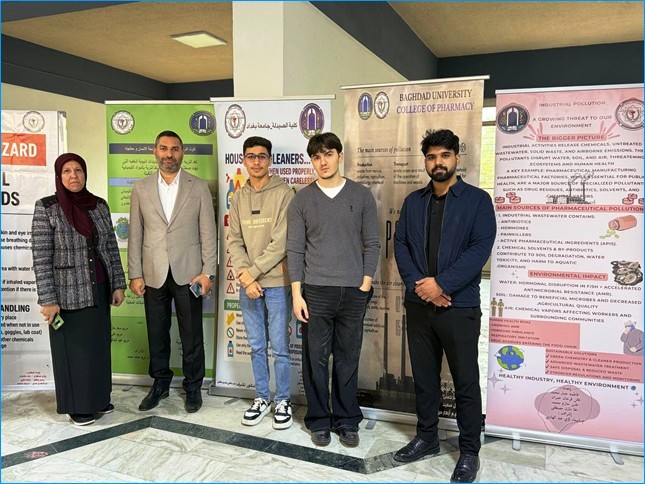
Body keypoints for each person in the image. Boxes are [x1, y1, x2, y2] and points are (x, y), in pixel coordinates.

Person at [393, 129, 496, 483]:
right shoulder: (413, 201)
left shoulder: (477, 201)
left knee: (465, 380)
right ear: (426, 161)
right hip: (419, 305)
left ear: (456, 158)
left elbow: (480, 249)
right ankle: (426, 438)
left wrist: (441, 285)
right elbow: (401, 245)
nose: (438, 162)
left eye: (444, 155)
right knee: (424, 378)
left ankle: (469, 451)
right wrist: (422, 287)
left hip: (459, 306)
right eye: (431, 157)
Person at [287, 132, 380, 447]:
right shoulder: (302, 200)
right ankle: (318, 420)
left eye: (328, 154)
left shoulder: (362, 195)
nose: (322, 162)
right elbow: (295, 250)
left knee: (347, 358)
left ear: (340, 156)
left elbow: (372, 243)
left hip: (354, 291)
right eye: (316, 157)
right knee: (315, 359)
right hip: (315, 291)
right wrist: (297, 294)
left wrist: (365, 282)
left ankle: (347, 420)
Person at [32, 153, 126, 426]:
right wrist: (48, 299)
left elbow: (110, 247)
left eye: (78, 170)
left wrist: (118, 284)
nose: (73, 175)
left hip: (99, 289)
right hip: (66, 294)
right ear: (59, 176)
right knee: (74, 352)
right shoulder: (47, 208)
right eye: (67, 171)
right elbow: (41, 256)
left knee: (98, 348)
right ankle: (78, 406)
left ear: (85, 173)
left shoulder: (99, 205)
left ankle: (98, 398)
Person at [128, 130, 217, 414]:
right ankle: (160, 384)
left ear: (182, 152)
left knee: (192, 334)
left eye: (175, 149)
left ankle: (193, 387)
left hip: (190, 273)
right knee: (157, 332)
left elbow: (208, 233)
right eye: (164, 148)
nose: (169, 154)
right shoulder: (140, 188)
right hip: (152, 272)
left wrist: (208, 273)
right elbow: (136, 234)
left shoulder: (198, 187)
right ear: (155, 151)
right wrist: (135, 273)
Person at [228, 136, 295, 428]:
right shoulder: (238, 197)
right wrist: (246, 277)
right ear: (244, 160)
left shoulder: (284, 193)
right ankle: (262, 398)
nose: (256, 161)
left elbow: (281, 242)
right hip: (249, 284)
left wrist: (251, 273)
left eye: (262, 156)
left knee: (279, 346)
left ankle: (283, 400)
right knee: (256, 346)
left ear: (270, 160)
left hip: (277, 282)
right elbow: (234, 241)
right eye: (251, 156)